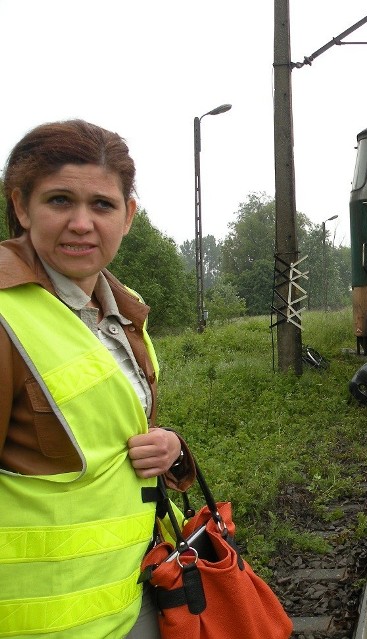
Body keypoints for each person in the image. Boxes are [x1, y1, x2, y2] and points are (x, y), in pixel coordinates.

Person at [0, 120, 195, 638]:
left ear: (128, 216)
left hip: (133, 594)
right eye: (60, 201)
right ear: (21, 206)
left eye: (103, 205)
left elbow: (102, 433)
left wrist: (171, 450)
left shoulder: (120, 313)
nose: (82, 223)